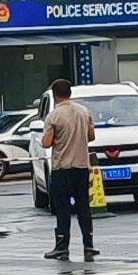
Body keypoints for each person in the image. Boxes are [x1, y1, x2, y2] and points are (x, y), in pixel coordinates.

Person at [41, 77, 97, 260]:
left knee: (63, 208)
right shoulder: (84, 112)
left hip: (62, 167)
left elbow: (47, 143)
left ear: (55, 95)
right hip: (81, 166)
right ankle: (88, 245)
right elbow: (91, 136)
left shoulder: (53, 116)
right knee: (83, 207)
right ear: (69, 93)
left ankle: (62, 246)